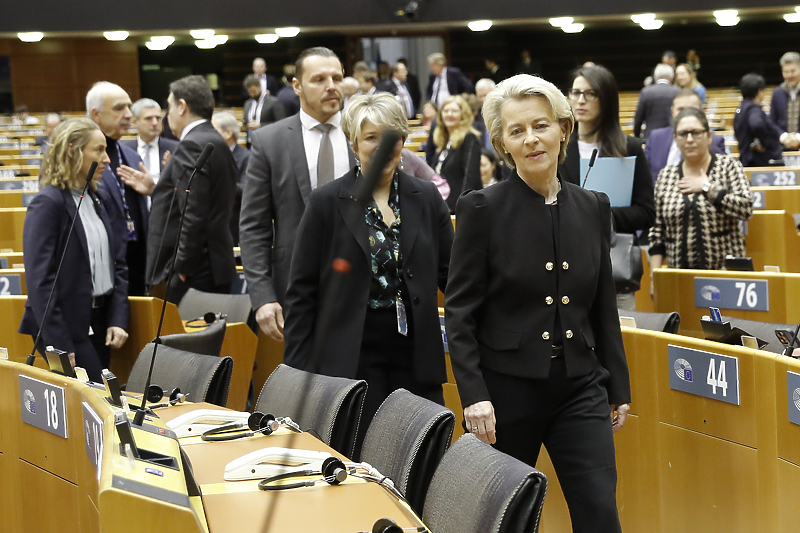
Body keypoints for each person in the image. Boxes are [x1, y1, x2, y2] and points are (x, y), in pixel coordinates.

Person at [445, 74, 630, 533]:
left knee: (600, 513)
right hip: (506, 393)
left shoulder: (593, 206)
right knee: (503, 518)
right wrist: (474, 397)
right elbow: (461, 313)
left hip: (580, 388)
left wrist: (618, 386)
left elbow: (603, 307)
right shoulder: (481, 208)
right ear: (502, 143)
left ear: (563, 129)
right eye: (516, 131)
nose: (531, 139)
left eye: (541, 125)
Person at [283, 93, 453, 453]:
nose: (382, 146)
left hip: (416, 354)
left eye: (391, 136)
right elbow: (301, 293)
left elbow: (453, 278)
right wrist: (297, 375)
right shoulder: (327, 202)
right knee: (364, 456)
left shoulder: (426, 196)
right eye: (371, 137)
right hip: (353, 353)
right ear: (353, 141)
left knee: (421, 456)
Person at [240, 46, 356, 341]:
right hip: (296, 288)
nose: (331, 86)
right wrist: (263, 296)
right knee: (307, 383)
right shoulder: (269, 141)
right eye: (319, 79)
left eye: (337, 78)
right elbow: (254, 227)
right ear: (297, 86)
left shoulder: (363, 135)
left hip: (362, 285)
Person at [18, 118, 129, 383]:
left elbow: (118, 263)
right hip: (65, 327)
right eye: (98, 150)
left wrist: (118, 317)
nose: (107, 159)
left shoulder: (96, 198)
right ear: (72, 150)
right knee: (99, 403)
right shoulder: (48, 203)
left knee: (102, 404)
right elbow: (40, 280)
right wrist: (58, 343)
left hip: (100, 322)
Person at [559, 65, 655, 310]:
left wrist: (600, 213)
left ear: (607, 99)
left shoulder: (628, 148)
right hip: (565, 268)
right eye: (575, 92)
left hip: (615, 268)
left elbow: (646, 213)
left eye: (590, 94)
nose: (580, 100)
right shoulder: (557, 148)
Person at [146, 75, 238, 304]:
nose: (167, 116)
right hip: (212, 263)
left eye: (169, 107)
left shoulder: (192, 144)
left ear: (182, 106)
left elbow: (193, 212)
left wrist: (181, 270)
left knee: (186, 339)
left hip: (196, 271)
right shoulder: (214, 140)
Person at [649, 108, 753, 292]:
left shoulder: (728, 166)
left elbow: (746, 208)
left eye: (696, 133)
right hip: (679, 277)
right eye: (683, 134)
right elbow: (658, 231)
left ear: (709, 136)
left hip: (725, 277)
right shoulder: (666, 175)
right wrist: (654, 275)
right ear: (676, 139)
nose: (689, 139)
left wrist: (708, 189)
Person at [87, 81, 152, 296]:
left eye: (129, 107)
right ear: (96, 115)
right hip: (100, 272)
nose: (129, 115)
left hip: (136, 268)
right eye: (119, 108)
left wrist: (152, 191)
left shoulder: (131, 156)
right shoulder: (80, 158)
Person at [645, 89, 727, 183]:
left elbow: (722, 177)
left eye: (692, 109)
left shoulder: (714, 140)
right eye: (680, 109)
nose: (686, 114)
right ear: (672, 111)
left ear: (702, 111)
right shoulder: (656, 138)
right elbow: (644, 177)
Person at [431, 95, 482, 212]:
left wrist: (461, 206)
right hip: (443, 206)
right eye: (446, 111)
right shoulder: (444, 141)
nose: (449, 114)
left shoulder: (469, 139)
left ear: (463, 116)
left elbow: (471, 177)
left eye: (454, 111)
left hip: (460, 209)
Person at [212, 111, 250, 246]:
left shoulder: (246, 157)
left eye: (213, 131)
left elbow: (246, 188)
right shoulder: (210, 155)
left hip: (235, 222)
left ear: (228, 133)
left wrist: (220, 184)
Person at [120, 98, 179, 185]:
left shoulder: (175, 148)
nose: (155, 123)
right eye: (148, 118)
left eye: (158, 118)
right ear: (135, 122)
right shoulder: (124, 149)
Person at [734, 73, 787, 167]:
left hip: (746, 159)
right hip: (758, 162)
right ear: (760, 91)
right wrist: (761, 143)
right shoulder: (753, 109)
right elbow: (756, 124)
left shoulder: (741, 108)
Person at [633, 64, 680, 138]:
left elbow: (638, 118)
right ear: (671, 78)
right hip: (673, 136)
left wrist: (637, 136)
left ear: (655, 78)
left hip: (650, 136)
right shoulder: (678, 91)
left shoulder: (646, 92)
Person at [242, 74, 287, 146]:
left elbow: (281, 124)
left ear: (259, 86)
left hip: (268, 143)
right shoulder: (248, 104)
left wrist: (261, 126)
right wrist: (244, 126)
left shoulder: (273, 102)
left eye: (254, 91)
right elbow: (246, 121)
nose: (252, 94)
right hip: (251, 143)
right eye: (250, 92)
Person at [768, 52, 800, 149]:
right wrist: (783, 136)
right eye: (786, 72)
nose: (789, 75)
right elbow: (772, 121)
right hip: (782, 146)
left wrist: (798, 137)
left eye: (793, 71)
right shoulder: (777, 92)